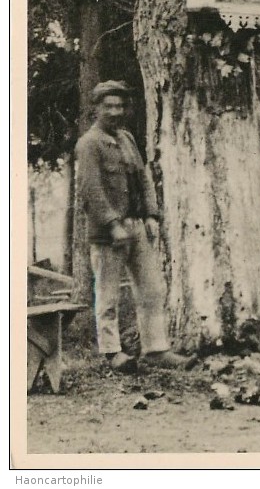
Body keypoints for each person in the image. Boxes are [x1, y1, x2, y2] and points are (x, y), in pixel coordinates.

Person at [75, 80, 188, 373]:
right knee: (108, 294)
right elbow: (91, 190)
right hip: (108, 234)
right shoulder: (89, 144)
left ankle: (156, 348)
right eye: (108, 106)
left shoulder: (126, 139)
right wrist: (112, 225)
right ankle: (112, 352)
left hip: (136, 227)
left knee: (152, 289)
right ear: (96, 109)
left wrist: (151, 215)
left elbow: (143, 179)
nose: (115, 112)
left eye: (119, 106)